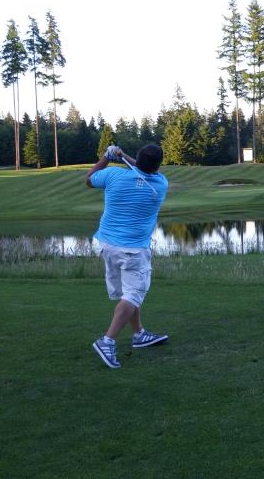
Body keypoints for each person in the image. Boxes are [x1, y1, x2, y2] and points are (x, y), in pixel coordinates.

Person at [85, 143, 169, 369]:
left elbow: (89, 179)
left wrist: (108, 157)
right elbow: (144, 168)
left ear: (137, 159)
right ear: (158, 165)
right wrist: (124, 156)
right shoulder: (160, 184)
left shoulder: (113, 175)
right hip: (133, 250)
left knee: (128, 293)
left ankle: (139, 333)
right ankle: (107, 341)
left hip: (106, 244)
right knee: (133, 294)